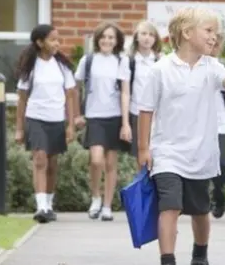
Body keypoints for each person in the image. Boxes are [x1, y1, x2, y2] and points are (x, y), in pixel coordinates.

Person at [137, 7, 225, 265]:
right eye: (208, 31)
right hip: (167, 154)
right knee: (169, 207)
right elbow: (145, 110)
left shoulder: (212, 67)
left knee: (200, 211)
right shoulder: (160, 69)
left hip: (200, 155)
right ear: (187, 33)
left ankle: (200, 254)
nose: (214, 38)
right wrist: (144, 148)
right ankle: (168, 259)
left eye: (216, 33)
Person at [15, 24, 77, 223]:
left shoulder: (63, 67)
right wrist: (19, 128)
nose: (57, 43)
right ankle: (40, 206)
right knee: (40, 158)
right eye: (52, 40)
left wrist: (71, 125)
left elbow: (70, 96)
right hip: (35, 118)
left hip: (56, 119)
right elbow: (22, 99)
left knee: (52, 164)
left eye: (58, 39)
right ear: (40, 42)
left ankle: (49, 203)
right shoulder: (30, 67)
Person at [74, 21, 131, 222]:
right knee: (96, 159)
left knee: (110, 162)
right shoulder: (88, 60)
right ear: (97, 39)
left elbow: (125, 92)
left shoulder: (121, 61)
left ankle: (107, 205)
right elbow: (75, 87)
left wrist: (125, 123)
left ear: (117, 41)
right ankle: (95, 197)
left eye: (111, 37)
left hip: (114, 116)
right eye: (104, 37)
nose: (107, 40)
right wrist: (77, 114)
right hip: (94, 115)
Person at [208, 33, 225, 219]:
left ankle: (218, 198)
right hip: (199, 122)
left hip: (220, 122)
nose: (214, 46)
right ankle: (202, 200)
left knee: (220, 163)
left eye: (218, 44)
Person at [127, 20, 162, 161]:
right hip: (137, 113)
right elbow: (125, 92)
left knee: (157, 155)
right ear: (136, 37)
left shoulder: (161, 61)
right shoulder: (130, 61)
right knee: (141, 157)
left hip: (158, 116)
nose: (147, 38)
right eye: (144, 34)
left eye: (151, 34)